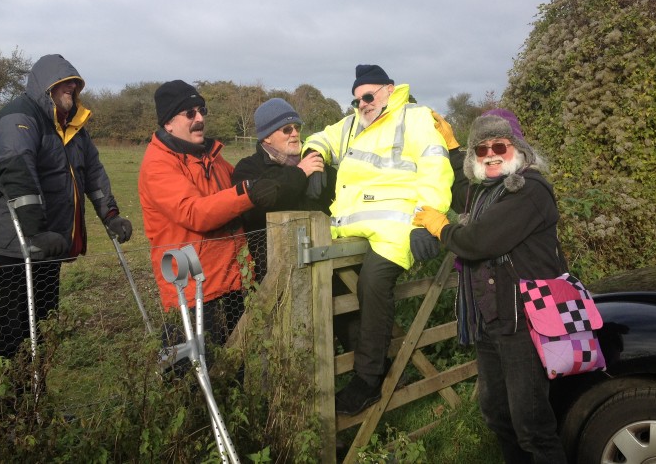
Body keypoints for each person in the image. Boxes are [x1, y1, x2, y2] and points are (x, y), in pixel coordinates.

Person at [413, 108, 568, 463]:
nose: (491, 154)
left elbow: (479, 241)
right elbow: (463, 189)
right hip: (491, 320)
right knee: (497, 414)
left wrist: (442, 227)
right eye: (480, 150)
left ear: (519, 148)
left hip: (526, 322)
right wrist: (452, 148)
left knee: (532, 426)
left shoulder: (530, 190)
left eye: (500, 145)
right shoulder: (488, 191)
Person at [302, 64, 453, 416]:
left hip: (397, 227)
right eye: (356, 99)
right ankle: (367, 368)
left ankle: (368, 380)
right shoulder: (352, 123)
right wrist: (315, 159)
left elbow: (435, 168)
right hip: (350, 227)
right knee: (335, 286)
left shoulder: (414, 118)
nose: (362, 104)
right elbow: (320, 137)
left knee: (372, 283)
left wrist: (425, 222)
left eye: (368, 96)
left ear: (389, 89)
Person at [0, 54, 132, 367]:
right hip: (11, 245)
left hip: (49, 244)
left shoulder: (73, 127)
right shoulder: (19, 116)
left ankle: (34, 405)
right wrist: (35, 232)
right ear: (46, 86)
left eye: (75, 83)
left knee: (42, 327)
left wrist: (111, 215)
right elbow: (17, 168)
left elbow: (94, 173)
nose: (72, 87)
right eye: (64, 82)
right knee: (9, 330)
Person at [138, 80, 281, 347]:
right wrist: (249, 193)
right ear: (168, 123)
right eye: (190, 113)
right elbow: (195, 213)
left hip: (230, 279)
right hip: (191, 288)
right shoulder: (158, 164)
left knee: (234, 364)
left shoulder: (212, 158)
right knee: (191, 371)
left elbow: (236, 185)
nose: (200, 118)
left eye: (201, 110)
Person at [231, 98, 335, 281]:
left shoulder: (317, 164)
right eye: (287, 129)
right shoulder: (247, 169)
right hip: (275, 274)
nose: (295, 134)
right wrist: (300, 173)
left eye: (297, 127)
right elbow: (255, 209)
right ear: (267, 137)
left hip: (325, 263)